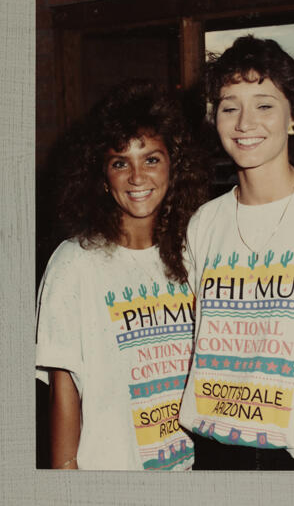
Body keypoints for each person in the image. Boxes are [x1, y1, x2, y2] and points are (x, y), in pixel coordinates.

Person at [179, 36, 294, 470]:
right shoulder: (205, 222)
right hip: (217, 452)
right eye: (229, 106)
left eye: (263, 105)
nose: (244, 123)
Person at [36, 81, 207, 470]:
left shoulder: (194, 254)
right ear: (101, 175)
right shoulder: (75, 263)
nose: (136, 177)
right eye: (119, 162)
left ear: (173, 166)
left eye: (151, 159)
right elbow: (64, 393)